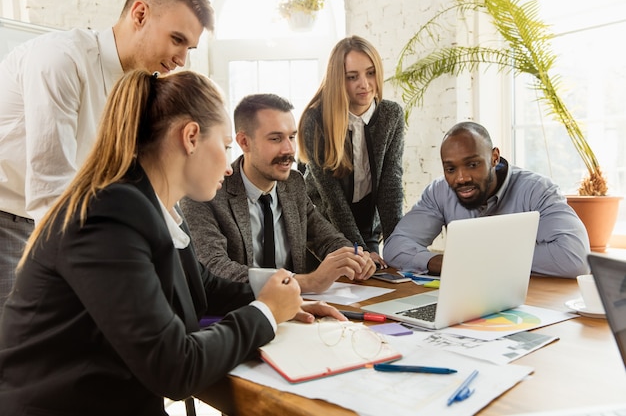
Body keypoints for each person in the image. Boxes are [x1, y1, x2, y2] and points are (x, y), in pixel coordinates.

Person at [0, 70, 345, 415]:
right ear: (191, 137)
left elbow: (202, 287)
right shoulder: (108, 216)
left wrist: (277, 300)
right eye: (225, 146)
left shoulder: (145, 205)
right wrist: (266, 313)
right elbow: (174, 368)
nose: (229, 167)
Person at [0, 0, 214, 309]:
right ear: (140, 14)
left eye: (189, 49)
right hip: (8, 216)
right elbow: (50, 190)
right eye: (177, 39)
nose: (182, 59)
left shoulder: (138, 89)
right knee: (16, 345)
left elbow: (136, 181)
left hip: (57, 221)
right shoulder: (60, 59)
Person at [180, 94, 376, 294]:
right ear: (244, 142)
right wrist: (308, 282)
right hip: (239, 314)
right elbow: (215, 269)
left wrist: (352, 259)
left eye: (291, 137)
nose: (289, 149)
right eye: (275, 139)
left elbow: (327, 238)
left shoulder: (294, 184)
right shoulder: (206, 193)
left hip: (299, 312)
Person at [383, 121, 590, 278]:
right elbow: (395, 247)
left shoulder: (536, 191)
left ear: (494, 157)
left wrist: (479, 260)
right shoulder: (439, 192)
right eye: (451, 169)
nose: (461, 178)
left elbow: (576, 257)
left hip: (531, 301)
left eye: (472, 164)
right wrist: (440, 262)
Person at [297, 35, 405, 269]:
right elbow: (331, 197)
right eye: (352, 77)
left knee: (378, 290)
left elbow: (391, 184)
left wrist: (400, 247)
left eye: (370, 73)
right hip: (321, 231)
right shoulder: (316, 120)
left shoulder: (391, 115)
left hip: (367, 227)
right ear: (338, 79)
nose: (364, 84)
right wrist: (359, 250)